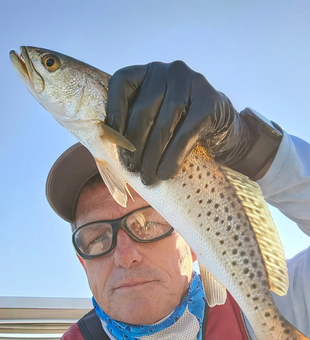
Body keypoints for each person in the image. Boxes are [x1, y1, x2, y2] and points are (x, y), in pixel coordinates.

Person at [46, 61, 310, 339]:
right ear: (82, 262)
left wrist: (255, 147)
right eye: (97, 238)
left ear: (197, 239)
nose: (125, 257)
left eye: (146, 225)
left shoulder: (275, 310)